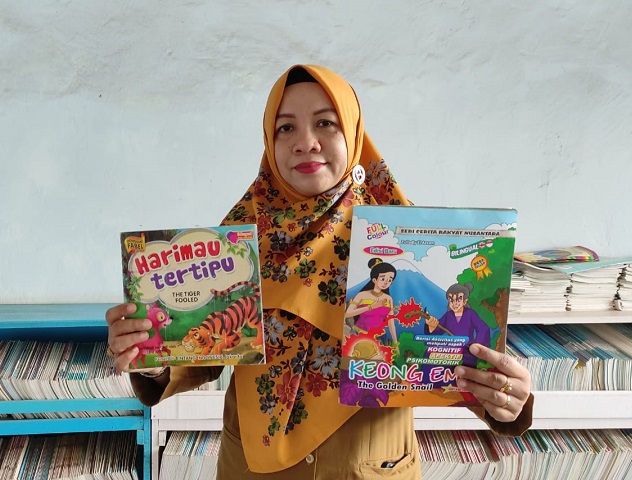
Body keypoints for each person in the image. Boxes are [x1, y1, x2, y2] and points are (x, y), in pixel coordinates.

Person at [106, 64, 534, 479]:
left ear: (352, 132)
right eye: (285, 127)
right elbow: (214, 344)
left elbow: (446, 348)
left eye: (326, 123)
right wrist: (151, 357)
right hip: (256, 469)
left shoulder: (403, 238)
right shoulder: (238, 242)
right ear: (269, 141)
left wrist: (505, 398)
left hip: (369, 468)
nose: (305, 142)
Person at [425, 282, 491, 368]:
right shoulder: (448, 315)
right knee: (428, 355)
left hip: (466, 351)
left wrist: (476, 346)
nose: (454, 303)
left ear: (465, 301)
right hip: (450, 351)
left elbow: (483, 328)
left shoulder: (470, 314)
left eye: (458, 299)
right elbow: (437, 330)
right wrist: (431, 325)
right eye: (451, 300)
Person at [344, 258, 398, 346]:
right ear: (374, 280)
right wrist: (371, 307)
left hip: (380, 338)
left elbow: (391, 322)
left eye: (389, 280)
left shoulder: (388, 299)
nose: (386, 282)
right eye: (383, 278)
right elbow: (348, 313)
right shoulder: (362, 295)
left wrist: (395, 342)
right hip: (359, 334)